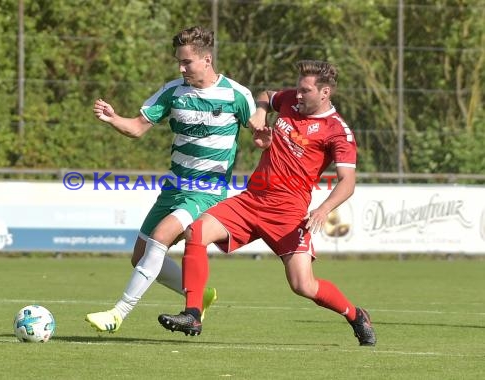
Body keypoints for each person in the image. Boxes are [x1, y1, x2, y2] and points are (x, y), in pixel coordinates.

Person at [158, 60, 377, 346]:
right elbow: (264, 95)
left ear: (325, 92)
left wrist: (323, 209)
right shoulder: (289, 100)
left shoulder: (337, 131)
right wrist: (261, 115)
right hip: (252, 200)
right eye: (298, 89)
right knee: (196, 232)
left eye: (306, 91)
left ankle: (355, 315)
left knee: (303, 285)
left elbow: (347, 181)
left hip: (289, 213)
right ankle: (193, 313)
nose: (298, 95)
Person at [85, 26, 256, 333]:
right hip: (173, 190)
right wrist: (113, 119)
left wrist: (267, 138)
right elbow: (137, 127)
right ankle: (198, 294)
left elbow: (260, 133)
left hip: (206, 191)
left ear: (206, 59)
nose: (181, 67)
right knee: (140, 255)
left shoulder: (237, 95)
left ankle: (118, 313)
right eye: (179, 61)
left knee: (160, 238)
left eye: (187, 61)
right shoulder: (173, 91)